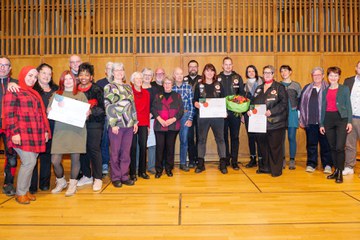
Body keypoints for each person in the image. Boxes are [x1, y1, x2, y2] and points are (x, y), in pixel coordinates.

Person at [3, 66, 51, 204]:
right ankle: (21, 193)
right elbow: (9, 114)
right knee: (29, 161)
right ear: (23, 75)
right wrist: (14, 133)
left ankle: (25, 190)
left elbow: (40, 115)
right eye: (29, 75)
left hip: (34, 133)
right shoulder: (13, 91)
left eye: (35, 77)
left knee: (32, 161)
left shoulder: (32, 93)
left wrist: (45, 131)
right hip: (21, 134)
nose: (32, 79)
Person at [50, 70, 88, 196]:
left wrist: (88, 113)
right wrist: (49, 109)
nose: (68, 81)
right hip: (60, 132)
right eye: (65, 79)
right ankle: (61, 182)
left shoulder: (80, 95)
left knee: (75, 159)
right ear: (62, 81)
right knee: (55, 160)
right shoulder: (56, 95)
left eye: (70, 78)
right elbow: (49, 112)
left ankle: (72, 184)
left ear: (74, 80)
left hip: (76, 132)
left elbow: (86, 114)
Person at [248, 65, 288, 177]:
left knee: (275, 147)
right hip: (260, 124)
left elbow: (284, 104)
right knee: (263, 147)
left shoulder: (279, 87)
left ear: (273, 74)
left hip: (275, 123)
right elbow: (253, 103)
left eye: (269, 72)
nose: (267, 75)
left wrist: (272, 111)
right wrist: (250, 111)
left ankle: (276, 170)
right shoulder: (259, 88)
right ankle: (265, 167)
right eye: (265, 72)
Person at [104, 62, 138, 187]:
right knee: (115, 152)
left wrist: (135, 121)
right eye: (117, 70)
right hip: (116, 125)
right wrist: (113, 124)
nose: (119, 72)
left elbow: (132, 105)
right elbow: (108, 105)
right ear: (112, 72)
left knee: (125, 152)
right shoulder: (109, 87)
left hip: (129, 124)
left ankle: (125, 175)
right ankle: (116, 177)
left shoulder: (128, 87)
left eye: (121, 70)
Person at [320, 67, 352, 183]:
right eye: (331, 75)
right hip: (328, 119)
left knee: (339, 147)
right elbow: (322, 108)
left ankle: (340, 171)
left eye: (335, 75)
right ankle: (336, 170)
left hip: (341, 119)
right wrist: (321, 124)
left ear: (339, 77)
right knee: (332, 147)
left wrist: (349, 122)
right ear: (327, 77)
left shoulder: (344, 89)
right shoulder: (325, 91)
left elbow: (348, 105)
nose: (333, 78)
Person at [30, 63, 58, 193]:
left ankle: (44, 183)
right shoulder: (32, 89)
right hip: (36, 127)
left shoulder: (57, 89)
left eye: (49, 73)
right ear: (38, 74)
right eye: (44, 73)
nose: (47, 76)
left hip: (53, 127)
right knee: (33, 157)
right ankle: (32, 184)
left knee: (47, 155)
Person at [193, 63, 227, 174]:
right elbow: (194, 100)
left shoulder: (219, 85)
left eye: (211, 71)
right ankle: (201, 163)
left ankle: (222, 163)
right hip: (203, 117)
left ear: (214, 73)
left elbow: (224, 100)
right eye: (207, 70)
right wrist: (196, 104)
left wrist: (224, 111)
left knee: (220, 139)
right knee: (201, 140)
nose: (209, 73)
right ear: (204, 72)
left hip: (218, 117)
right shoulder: (199, 85)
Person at [77, 63, 105, 191]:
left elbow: (103, 109)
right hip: (78, 124)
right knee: (82, 150)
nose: (83, 77)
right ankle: (87, 175)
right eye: (81, 74)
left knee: (94, 149)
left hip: (95, 124)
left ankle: (98, 178)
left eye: (86, 74)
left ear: (91, 77)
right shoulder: (74, 90)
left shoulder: (97, 89)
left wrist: (91, 112)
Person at [299, 67, 332, 174]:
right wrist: (302, 119)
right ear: (312, 76)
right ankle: (311, 164)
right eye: (314, 75)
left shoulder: (329, 88)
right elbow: (301, 104)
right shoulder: (307, 88)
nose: (317, 77)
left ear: (323, 76)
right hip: (310, 121)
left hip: (325, 122)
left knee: (326, 144)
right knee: (311, 144)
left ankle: (327, 164)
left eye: (319, 75)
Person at [151, 76, 184, 178]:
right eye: (165, 83)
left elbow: (181, 111)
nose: (167, 85)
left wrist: (172, 120)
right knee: (160, 148)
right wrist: (160, 120)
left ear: (172, 85)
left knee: (170, 148)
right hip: (159, 126)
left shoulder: (177, 96)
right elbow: (153, 109)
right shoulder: (158, 96)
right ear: (163, 84)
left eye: (169, 83)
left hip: (172, 126)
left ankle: (169, 169)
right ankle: (159, 170)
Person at [217, 57, 245, 170]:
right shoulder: (217, 78)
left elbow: (242, 95)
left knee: (235, 137)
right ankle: (225, 159)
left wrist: (241, 112)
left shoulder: (238, 77)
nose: (228, 66)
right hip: (221, 113)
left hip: (235, 113)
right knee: (223, 137)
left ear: (232, 66)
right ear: (222, 66)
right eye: (226, 64)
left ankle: (234, 161)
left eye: (230, 64)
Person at [0, 56, 18, 196]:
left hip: (9, 126)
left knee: (11, 157)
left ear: (10, 69)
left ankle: (9, 183)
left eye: (6, 65)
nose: (3, 67)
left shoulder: (17, 84)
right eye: (0, 64)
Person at [280, 65, 302, 170]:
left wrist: (299, 114)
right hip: (280, 114)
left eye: (285, 71)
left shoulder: (296, 85)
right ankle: (282, 158)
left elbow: (300, 100)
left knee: (291, 137)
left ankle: (292, 159)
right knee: (281, 138)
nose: (284, 73)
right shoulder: (278, 85)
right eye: (282, 71)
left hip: (292, 114)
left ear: (290, 72)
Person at [172, 67, 194, 172]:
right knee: (170, 141)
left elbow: (191, 105)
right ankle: (168, 163)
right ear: (174, 76)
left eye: (181, 74)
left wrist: (190, 119)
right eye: (177, 74)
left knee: (184, 140)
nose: (179, 76)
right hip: (173, 118)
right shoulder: (170, 88)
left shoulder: (188, 87)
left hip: (185, 116)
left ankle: (183, 163)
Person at [130, 71, 150, 180]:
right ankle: (132, 172)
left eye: (140, 78)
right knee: (132, 148)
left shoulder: (146, 93)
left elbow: (147, 110)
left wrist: (148, 125)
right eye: (137, 78)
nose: (139, 80)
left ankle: (142, 171)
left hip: (143, 123)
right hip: (133, 123)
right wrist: (133, 122)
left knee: (143, 146)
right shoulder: (129, 92)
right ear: (132, 81)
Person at [243, 65, 263, 168]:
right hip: (248, 114)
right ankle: (252, 158)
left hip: (259, 113)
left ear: (256, 72)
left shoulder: (262, 84)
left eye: (252, 71)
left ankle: (261, 158)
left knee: (259, 137)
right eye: (249, 71)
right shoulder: (244, 85)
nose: (251, 73)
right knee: (250, 137)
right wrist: (243, 113)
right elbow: (242, 101)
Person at [96, 61, 113, 175]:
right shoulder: (100, 83)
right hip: (105, 117)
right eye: (108, 68)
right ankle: (105, 163)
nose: (110, 70)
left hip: (117, 117)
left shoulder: (119, 83)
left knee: (117, 142)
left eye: (113, 68)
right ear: (105, 70)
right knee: (105, 141)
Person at [343, 61, 360, 176]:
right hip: (350, 118)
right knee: (349, 144)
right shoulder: (348, 81)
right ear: (356, 68)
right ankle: (349, 166)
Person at [184, 60, 201, 168]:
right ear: (188, 68)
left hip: (200, 112)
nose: (193, 68)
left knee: (200, 137)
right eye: (191, 67)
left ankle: (199, 159)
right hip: (188, 113)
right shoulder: (184, 79)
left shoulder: (202, 79)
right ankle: (191, 159)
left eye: (195, 67)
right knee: (189, 137)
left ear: (198, 68)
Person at [142, 68, 156, 174]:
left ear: (152, 77)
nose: (147, 77)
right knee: (139, 144)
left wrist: (151, 113)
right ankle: (139, 166)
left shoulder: (155, 90)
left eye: (149, 75)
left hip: (151, 119)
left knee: (152, 144)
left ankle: (151, 166)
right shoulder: (137, 88)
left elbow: (157, 104)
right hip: (139, 121)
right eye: (145, 74)